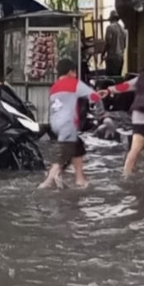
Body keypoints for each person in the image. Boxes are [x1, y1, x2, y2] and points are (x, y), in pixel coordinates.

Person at [39, 59, 104, 190]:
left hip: (56, 124)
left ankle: (80, 180)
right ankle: (47, 183)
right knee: (61, 157)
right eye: (75, 72)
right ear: (71, 72)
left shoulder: (54, 87)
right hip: (68, 125)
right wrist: (101, 114)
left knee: (77, 147)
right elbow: (95, 97)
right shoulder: (74, 83)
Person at [104, 11, 127, 78]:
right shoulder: (123, 30)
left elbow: (108, 43)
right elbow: (124, 46)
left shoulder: (110, 28)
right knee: (118, 78)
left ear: (111, 19)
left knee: (110, 79)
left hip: (112, 58)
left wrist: (103, 53)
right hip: (120, 58)